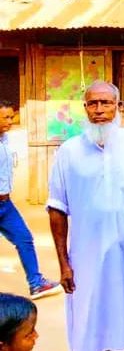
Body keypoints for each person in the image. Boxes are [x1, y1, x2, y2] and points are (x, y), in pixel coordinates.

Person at [46, 81, 124, 351]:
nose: (99, 109)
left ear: (119, 107)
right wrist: (64, 263)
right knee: (88, 322)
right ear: (85, 108)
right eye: (92, 103)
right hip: (86, 258)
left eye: (106, 103)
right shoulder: (69, 151)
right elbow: (57, 208)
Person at [0, 100, 60, 300]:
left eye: (11, 117)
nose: (10, 121)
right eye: (5, 117)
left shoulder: (5, 139)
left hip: (6, 205)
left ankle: (36, 284)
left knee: (24, 238)